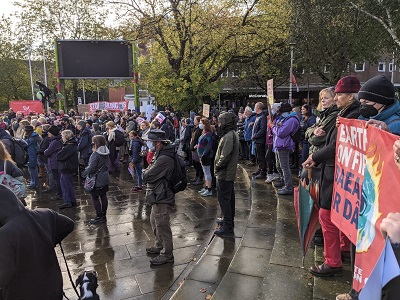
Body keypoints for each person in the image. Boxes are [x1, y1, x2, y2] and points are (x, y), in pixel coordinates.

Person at [303, 75, 361, 278]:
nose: (336, 99)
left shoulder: (350, 115)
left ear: (351, 96)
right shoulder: (342, 114)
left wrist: (314, 156)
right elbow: (311, 134)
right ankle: (342, 250)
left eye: (339, 95)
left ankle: (332, 261)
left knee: (326, 216)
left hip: (334, 171)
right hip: (335, 170)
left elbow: (333, 145)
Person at [0, 185, 74, 300]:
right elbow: (68, 224)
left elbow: (3, 277)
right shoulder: (45, 214)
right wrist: (47, 240)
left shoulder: (5, 234)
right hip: (53, 289)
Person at [142, 129, 175, 265]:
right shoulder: (160, 154)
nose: (149, 144)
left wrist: (146, 171)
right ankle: (158, 244)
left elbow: (147, 175)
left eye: (151, 142)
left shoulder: (164, 158)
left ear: (158, 143)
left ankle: (167, 254)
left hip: (163, 194)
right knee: (154, 220)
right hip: (158, 193)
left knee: (162, 224)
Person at [214, 112, 240, 236]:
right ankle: (227, 222)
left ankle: (228, 226)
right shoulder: (230, 134)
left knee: (225, 200)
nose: (218, 124)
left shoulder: (229, 136)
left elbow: (225, 156)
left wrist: (218, 166)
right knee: (228, 199)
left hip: (224, 173)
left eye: (220, 122)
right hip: (226, 173)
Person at [272, 102, 300, 195]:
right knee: (280, 166)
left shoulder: (291, 120)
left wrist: (274, 128)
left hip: (285, 145)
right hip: (281, 145)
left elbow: (281, 133)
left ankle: (288, 187)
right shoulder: (287, 119)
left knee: (285, 167)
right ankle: (284, 183)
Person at [82, 135, 110, 224]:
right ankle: (104, 215)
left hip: (96, 179)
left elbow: (92, 167)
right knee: (103, 196)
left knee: (95, 197)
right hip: (105, 177)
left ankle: (99, 216)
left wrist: (84, 173)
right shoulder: (106, 151)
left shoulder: (95, 154)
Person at [57, 130, 79, 209]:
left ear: (66, 137)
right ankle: (72, 200)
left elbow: (59, 156)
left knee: (65, 185)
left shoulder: (69, 146)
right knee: (68, 184)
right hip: (69, 167)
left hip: (66, 167)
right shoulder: (71, 145)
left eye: (62, 136)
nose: (62, 138)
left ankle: (68, 201)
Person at [43, 125, 63, 198]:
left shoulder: (55, 142)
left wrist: (46, 151)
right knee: (57, 178)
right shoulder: (55, 140)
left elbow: (48, 151)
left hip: (54, 162)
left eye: (49, 133)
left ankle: (59, 194)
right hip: (54, 161)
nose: (48, 134)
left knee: (57, 179)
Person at [197, 118, 214, 197]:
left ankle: (209, 189)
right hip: (202, 156)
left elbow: (208, 146)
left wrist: (203, 155)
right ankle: (206, 187)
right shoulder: (204, 133)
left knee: (207, 173)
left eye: (201, 123)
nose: (200, 124)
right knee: (205, 172)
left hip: (206, 157)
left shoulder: (208, 134)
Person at [251, 102, 268, 179]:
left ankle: (263, 171)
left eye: (255, 106)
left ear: (258, 107)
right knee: (258, 156)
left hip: (260, 140)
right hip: (257, 140)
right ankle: (259, 168)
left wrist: (255, 136)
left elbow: (263, 129)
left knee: (261, 156)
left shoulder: (262, 117)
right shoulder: (258, 117)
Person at [299, 104, 316, 173]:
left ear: (307, 110)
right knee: (301, 155)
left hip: (308, 141)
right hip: (302, 139)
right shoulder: (302, 118)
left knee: (305, 156)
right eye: (301, 109)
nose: (302, 111)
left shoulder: (312, 118)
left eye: (303, 109)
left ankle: (305, 172)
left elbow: (312, 128)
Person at [24, 125, 41, 189]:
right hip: (32, 154)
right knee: (31, 169)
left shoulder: (33, 137)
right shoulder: (33, 136)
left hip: (33, 155)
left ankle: (34, 183)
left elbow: (26, 143)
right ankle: (33, 181)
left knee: (32, 169)